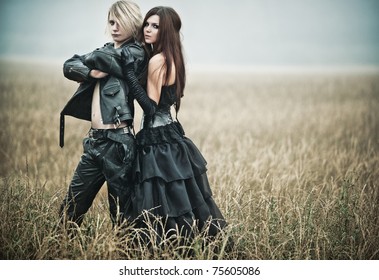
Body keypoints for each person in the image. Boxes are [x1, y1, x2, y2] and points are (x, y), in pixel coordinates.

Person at [121, 6, 227, 242]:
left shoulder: (157, 60)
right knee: (180, 199)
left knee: (159, 201)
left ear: (166, 30)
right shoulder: (173, 57)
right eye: (147, 24)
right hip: (171, 135)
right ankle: (189, 248)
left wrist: (128, 74)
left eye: (155, 26)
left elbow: (150, 107)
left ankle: (164, 249)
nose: (147, 29)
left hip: (157, 140)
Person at [58, 0, 148, 229]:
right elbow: (69, 65)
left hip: (119, 143)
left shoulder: (136, 53)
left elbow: (114, 62)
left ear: (133, 23)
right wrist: (89, 72)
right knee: (70, 210)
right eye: (111, 22)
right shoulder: (106, 50)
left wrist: (89, 61)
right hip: (95, 141)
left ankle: (125, 260)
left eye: (121, 22)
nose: (115, 27)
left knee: (122, 218)